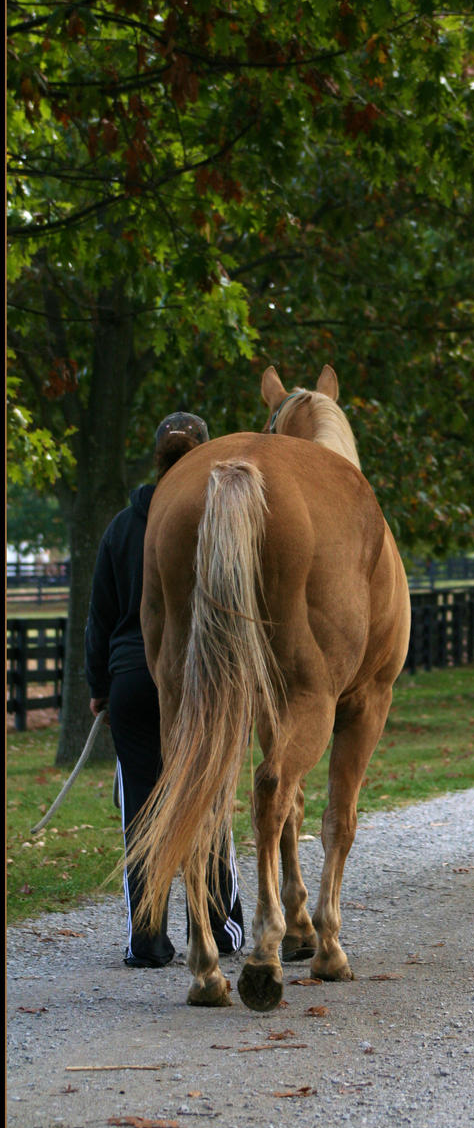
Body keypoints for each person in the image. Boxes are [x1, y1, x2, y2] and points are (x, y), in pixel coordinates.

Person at [84, 412, 245, 968]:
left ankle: (147, 940)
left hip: (132, 678)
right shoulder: (215, 515)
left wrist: (98, 686)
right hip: (198, 676)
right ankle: (222, 929)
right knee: (207, 799)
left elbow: (99, 615)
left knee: (143, 812)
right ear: (204, 453)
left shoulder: (123, 526)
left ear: (155, 456)